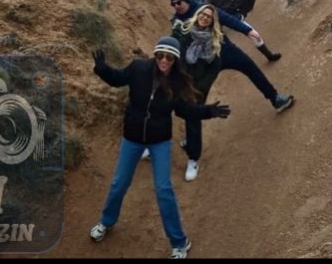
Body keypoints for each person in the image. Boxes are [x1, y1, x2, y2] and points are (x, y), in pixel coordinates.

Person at [89, 37, 231, 259]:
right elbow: (117, 80)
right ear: (155, 55)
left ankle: (179, 243)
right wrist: (102, 69)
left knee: (164, 190)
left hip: (159, 141)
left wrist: (208, 112)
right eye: (160, 55)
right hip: (132, 138)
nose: (164, 60)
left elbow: (185, 111)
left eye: (169, 56)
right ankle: (106, 222)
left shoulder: (177, 83)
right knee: (119, 183)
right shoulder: (138, 68)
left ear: (175, 58)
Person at [169, 0, 294, 114]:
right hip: (205, 61)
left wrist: (247, 31)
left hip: (224, 49)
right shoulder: (177, 22)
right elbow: (176, 44)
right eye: (173, 4)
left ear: (186, 1)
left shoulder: (203, 8)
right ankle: (193, 128)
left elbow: (227, 19)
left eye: (178, 3)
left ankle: (275, 98)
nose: (176, 6)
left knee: (250, 67)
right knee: (199, 94)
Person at [172, 5, 226, 182]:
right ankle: (151, 143)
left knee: (193, 118)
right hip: (178, 81)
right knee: (161, 108)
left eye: (209, 17)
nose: (204, 17)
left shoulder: (215, 42)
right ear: (197, 15)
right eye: (203, 14)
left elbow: (214, 69)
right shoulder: (184, 32)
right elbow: (174, 53)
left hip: (197, 88)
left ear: (212, 22)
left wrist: (197, 89)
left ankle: (193, 159)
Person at [207, 0, 282, 62]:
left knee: (253, 33)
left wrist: (241, 15)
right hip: (215, 11)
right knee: (214, 39)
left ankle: (269, 55)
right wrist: (207, 6)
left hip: (232, 16)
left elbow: (248, 7)